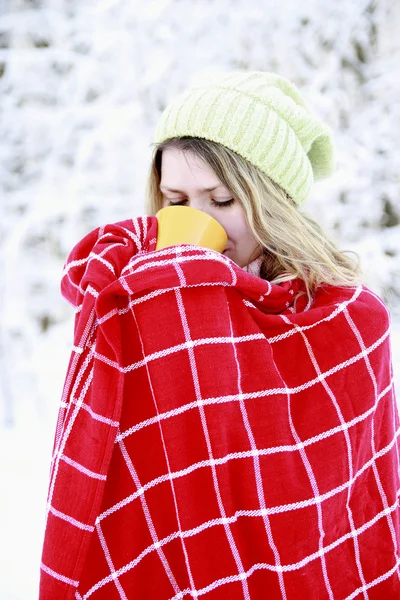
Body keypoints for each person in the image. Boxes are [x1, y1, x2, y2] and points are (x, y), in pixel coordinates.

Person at [40, 72, 400, 599]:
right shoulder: (143, 302)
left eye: (223, 200)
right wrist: (167, 302)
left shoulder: (349, 322)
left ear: (271, 202)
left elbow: (360, 501)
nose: (198, 223)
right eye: (177, 201)